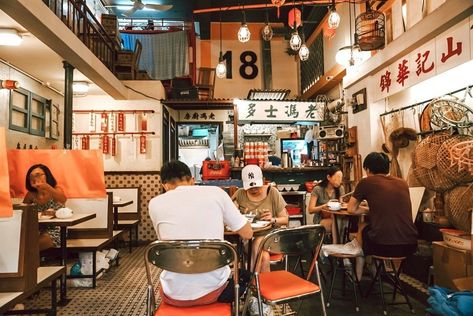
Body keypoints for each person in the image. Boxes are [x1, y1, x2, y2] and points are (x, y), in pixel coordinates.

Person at [148, 160, 253, 307]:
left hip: (172, 294)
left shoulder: (154, 203)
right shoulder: (216, 193)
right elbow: (247, 233)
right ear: (192, 180)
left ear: (164, 185)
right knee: (246, 275)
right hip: (216, 292)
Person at [347, 152, 418, 258]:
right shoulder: (402, 183)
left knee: (362, 227)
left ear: (368, 169)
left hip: (384, 247)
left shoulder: (366, 182)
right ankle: (381, 270)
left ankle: (360, 272)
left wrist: (369, 210)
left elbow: (351, 209)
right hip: (410, 246)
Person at [232, 164, 289, 273]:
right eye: (250, 187)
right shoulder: (240, 194)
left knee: (258, 242)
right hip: (248, 239)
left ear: (263, 180)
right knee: (264, 257)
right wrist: (235, 209)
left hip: (272, 238)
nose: (253, 190)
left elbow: (285, 219)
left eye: (256, 186)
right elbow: (227, 212)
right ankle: (259, 286)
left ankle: (252, 282)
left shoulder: (272, 192)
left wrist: (272, 219)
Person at [24, 164, 67, 251]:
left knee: (32, 245)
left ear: (47, 175)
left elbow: (63, 199)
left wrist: (46, 186)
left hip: (56, 229)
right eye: (31, 176)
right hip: (36, 229)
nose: (34, 178)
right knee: (22, 242)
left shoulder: (56, 189)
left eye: (38, 175)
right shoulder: (31, 194)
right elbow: (24, 211)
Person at [308, 166, 345, 243]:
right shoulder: (318, 189)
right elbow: (310, 210)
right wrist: (323, 206)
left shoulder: (340, 188)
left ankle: (336, 246)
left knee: (341, 221)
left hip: (335, 217)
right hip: (321, 219)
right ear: (328, 177)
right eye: (337, 178)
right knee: (338, 222)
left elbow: (341, 204)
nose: (339, 181)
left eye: (340, 178)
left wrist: (342, 204)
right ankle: (337, 246)